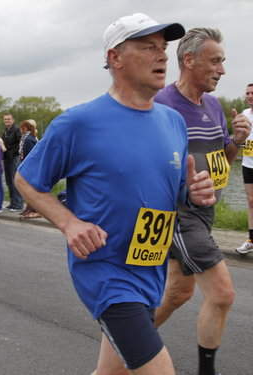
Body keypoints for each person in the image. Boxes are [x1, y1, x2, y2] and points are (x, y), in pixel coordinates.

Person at [15, 13, 215, 375]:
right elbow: (25, 180)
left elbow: (176, 191)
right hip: (106, 273)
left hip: (149, 268)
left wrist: (194, 193)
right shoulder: (78, 123)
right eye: (148, 47)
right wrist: (68, 222)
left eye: (164, 48)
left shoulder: (172, 122)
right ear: (115, 58)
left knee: (111, 372)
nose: (162, 57)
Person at [154, 28, 251, 375]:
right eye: (215, 61)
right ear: (189, 60)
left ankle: (128, 339)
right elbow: (147, 168)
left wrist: (237, 140)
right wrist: (184, 190)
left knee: (178, 293)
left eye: (223, 62)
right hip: (179, 214)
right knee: (223, 294)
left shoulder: (212, 104)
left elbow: (222, 160)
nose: (222, 70)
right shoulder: (163, 105)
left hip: (206, 213)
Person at [236, 83, 253, 254]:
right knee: (251, 202)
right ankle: (251, 240)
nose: (250, 96)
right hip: (248, 163)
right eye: (247, 93)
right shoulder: (244, 115)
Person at [18, 120, 40, 219]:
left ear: (25, 128)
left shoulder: (29, 139)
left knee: (30, 187)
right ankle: (29, 206)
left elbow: (32, 155)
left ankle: (33, 208)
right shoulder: (25, 138)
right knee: (27, 187)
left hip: (30, 166)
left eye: (21, 127)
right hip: (26, 164)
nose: (20, 130)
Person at [2, 113, 23, 211]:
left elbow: (20, 143)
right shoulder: (6, 131)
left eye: (8, 119)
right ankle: (12, 203)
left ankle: (18, 204)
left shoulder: (17, 130)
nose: (7, 121)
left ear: (13, 120)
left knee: (15, 180)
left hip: (14, 158)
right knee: (9, 181)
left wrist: (11, 152)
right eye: (5, 119)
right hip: (6, 158)